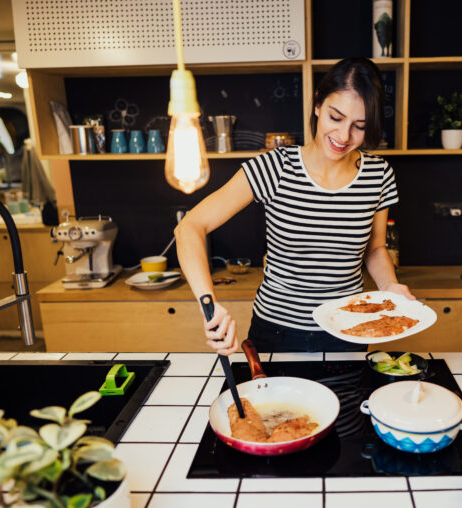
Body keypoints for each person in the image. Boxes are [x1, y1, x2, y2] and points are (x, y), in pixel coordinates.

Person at [176, 57, 414, 355]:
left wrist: (389, 286)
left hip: (348, 329)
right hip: (276, 331)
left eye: (359, 126)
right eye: (335, 117)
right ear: (317, 105)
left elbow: (375, 248)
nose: (343, 136)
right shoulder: (274, 167)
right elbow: (190, 227)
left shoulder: (378, 174)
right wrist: (208, 305)